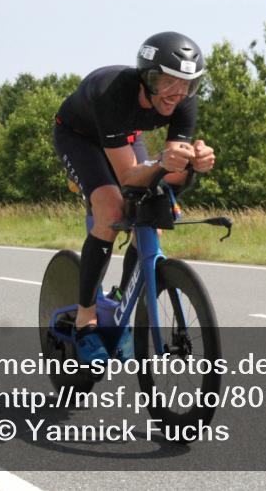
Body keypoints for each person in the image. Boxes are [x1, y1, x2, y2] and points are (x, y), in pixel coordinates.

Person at [52, 31, 216, 363]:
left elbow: (170, 174)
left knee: (151, 217)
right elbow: (129, 177)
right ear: (147, 77)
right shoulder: (113, 92)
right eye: (168, 82)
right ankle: (86, 318)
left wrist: (194, 164)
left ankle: (124, 301)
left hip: (125, 136)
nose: (176, 94)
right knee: (112, 207)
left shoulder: (183, 101)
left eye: (186, 84)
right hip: (79, 137)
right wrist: (160, 164)